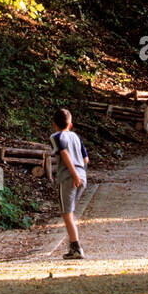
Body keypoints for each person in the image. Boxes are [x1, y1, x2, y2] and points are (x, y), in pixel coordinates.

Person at [50, 107, 89, 260]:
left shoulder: (56, 136)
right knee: (70, 212)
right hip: (82, 176)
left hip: (69, 177)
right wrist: (80, 174)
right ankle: (74, 245)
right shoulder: (76, 137)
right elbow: (86, 159)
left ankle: (76, 247)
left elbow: (64, 154)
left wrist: (73, 175)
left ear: (54, 124)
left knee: (67, 213)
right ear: (70, 124)